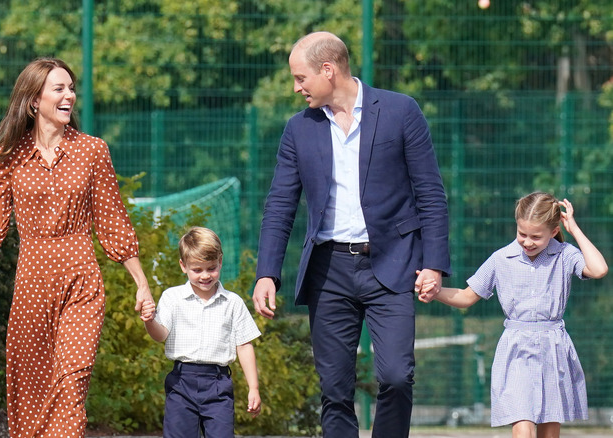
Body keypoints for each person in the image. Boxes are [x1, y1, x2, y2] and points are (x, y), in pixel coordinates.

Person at [252, 31, 451, 438]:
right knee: (335, 389)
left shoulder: (400, 111)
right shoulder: (298, 130)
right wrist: (267, 272)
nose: (296, 88)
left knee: (397, 376)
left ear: (328, 70)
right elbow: (279, 205)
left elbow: (430, 193)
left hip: (393, 264)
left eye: (301, 77)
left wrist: (433, 264)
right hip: (329, 271)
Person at [0, 58, 153, 437]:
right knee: (30, 390)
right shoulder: (6, 157)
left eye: (71, 88)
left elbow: (112, 221)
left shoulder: (92, 150)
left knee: (71, 384)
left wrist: (141, 282)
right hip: (31, 285)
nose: (70, 96)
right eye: (59, 89)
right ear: (33, 100)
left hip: (81, 281)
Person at [416, 192, 608, 438]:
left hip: (554, 349)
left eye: (536, 237)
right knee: (523, 430)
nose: (527, 242)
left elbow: (599, 269)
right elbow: (466, 297)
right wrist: (436, 291)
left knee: (549, 433)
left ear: (553, 231)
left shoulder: (565, 254)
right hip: (516, 350)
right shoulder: (500, 259)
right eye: (522, 234)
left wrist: (574, 229)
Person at [141, 227, 261, 438]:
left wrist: (254, 387)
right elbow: (160, 335)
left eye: (211, 268)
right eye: (197, 270)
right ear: (183, 266)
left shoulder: (232, 303)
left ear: (220, 262)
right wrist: (149, 321)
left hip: (217, 383)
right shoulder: (172, 297)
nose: (205, 276)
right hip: (181, 382)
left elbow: (244, 345)